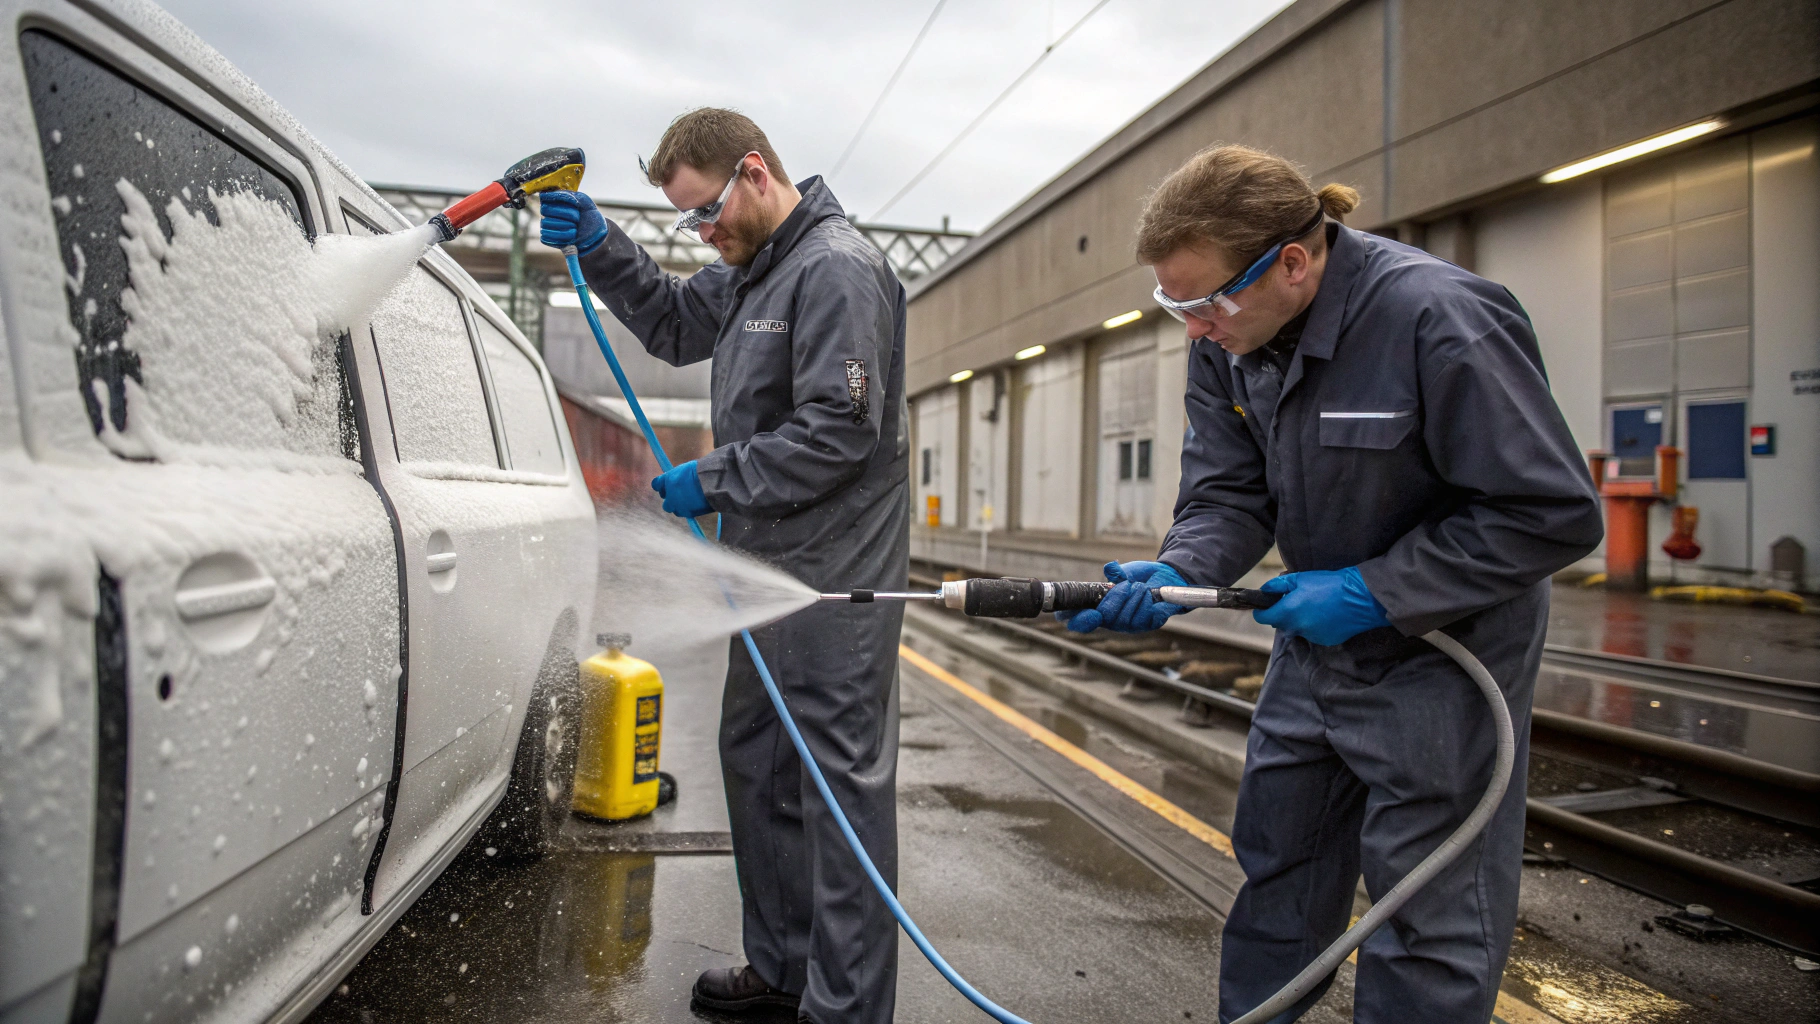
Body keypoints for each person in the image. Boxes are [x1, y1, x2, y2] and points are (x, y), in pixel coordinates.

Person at [1063, 146, 1603, 1023]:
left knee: (1425, 918)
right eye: (1177, 305)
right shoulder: (1229, 340)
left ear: (1294, 262)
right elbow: (1228, 493)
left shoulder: (1440, 318)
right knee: (1279, 869)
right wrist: (1182, 569)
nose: (1194, 327)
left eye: (1205, 303)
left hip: (1442, 661)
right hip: (1314, 652)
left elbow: (1549, 512)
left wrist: (1372, 592)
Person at [540, 108, 907, 1024]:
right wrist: (601, 243)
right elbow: (670, 321)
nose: (703, 235)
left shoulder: (836, 270)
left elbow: (841, 429)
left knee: (834, 795)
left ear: (753, 172)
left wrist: (716, 476)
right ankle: (784, 971)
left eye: (705, 213)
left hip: (832, 582)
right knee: (758, 764)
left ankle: (846, 1008)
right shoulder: (754, 271)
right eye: (687, 223)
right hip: (763, 572)